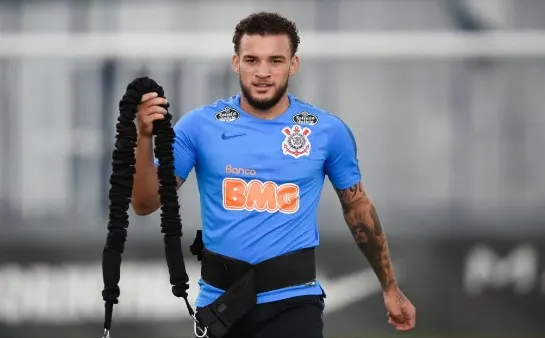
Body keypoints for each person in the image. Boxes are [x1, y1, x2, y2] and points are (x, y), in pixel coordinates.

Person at [131, 11, 416, 338]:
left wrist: (390, 286)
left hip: (294, 305)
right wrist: (142, 137)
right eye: (252, 60)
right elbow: (144, 203)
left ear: (293, 65)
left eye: (275, 61)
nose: (263, 72)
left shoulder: (327, 131)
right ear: (236, 63)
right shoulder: (199, 127)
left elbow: (358, 208)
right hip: (220, 308)